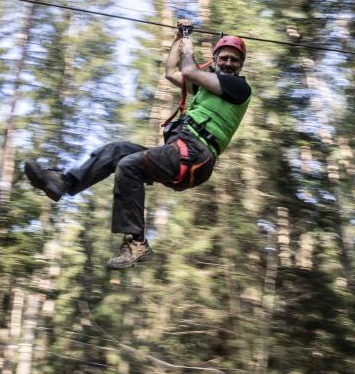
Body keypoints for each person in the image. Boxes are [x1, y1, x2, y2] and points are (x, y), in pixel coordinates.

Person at [23, 19, 251, 269]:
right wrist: (178, 37)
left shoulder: (238, 87)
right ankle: (65, 183)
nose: (229, 63)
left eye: (234, 60)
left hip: (196, 154)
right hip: (181, 149)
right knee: (117, 151)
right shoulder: (206, 89)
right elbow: (172, 72)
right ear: (216, 59)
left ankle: (136, 242)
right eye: (225, 58)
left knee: (129, 166)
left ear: (240, 65)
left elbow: (189, 71)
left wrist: (188, 43)